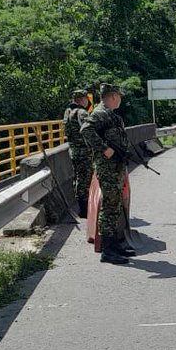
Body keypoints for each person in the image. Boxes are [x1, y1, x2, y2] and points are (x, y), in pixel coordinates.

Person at [80, 83, 133, 264]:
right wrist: (104, 149)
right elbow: (85, 130)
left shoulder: (110, 114)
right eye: (119, 95)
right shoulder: (100, 113)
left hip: (115, 166)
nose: (120, 99)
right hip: (107, 167)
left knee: (115, 205)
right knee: (109, 207)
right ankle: (108, 250)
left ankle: (115, 245)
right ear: (112, 96)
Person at [62, 88, 92, 217]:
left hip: (73, 150)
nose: (88, 101)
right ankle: (85, 210)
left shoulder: (67, 112)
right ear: (82, 99)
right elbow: (89, 131)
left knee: (78, 179)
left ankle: (81, 207)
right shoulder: (81, 113)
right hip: (84, 152)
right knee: (85, 180)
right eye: (86, 99)